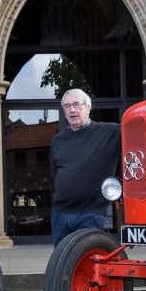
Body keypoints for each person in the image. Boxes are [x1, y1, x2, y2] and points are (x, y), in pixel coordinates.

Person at [49, 88, 121, 246]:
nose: (72, 110)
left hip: (91, 213)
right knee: (62, 264)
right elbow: (55, 173)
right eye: (67, 106)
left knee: (88, 260)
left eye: (76, 104)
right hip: (60, 214)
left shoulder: (110, 132)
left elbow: (137, 136)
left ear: (88, 107)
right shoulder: (58, 140)